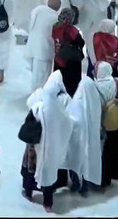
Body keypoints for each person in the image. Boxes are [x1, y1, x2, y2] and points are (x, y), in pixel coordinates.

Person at [22, 71, 73, 213]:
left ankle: (28, 191)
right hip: (52, 145)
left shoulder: (39, 99)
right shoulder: (63, 100)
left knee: (31, 168)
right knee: (49, 172)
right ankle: (48, 203)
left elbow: (29, 103)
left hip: (35, 144)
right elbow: (69, 121)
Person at [62, 76, 103, 197]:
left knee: (75, 161)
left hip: (77, 140)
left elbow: (71, 118)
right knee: (87, 162)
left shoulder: (77, 101)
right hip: (91, 140)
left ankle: (76, 183)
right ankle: (85, 183)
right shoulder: (95, 100)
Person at [94, 61, 118, 188]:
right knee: (116, 148)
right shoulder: (117, 82)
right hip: (117, 121)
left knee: (104, 151)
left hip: (104, 122)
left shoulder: (96, 86)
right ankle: (113, 174)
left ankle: (103, 179)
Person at [25, 0, 61, 92]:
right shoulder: (56, 18)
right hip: (45, 49)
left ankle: (35, 91)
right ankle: (38, 93)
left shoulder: (38, 9)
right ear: (58, 7)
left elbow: (31, 24)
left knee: (35, 71)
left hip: (33, 44)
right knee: (42, 75)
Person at [52, 7, 85, 97]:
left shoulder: (55, 27)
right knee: (71, 84)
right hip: (70, 61)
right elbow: (81, 42)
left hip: (58, 58)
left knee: (58, 81)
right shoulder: (71, 30)